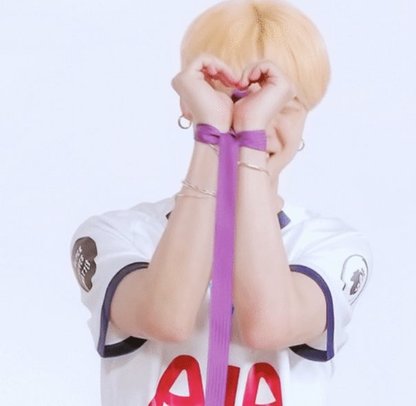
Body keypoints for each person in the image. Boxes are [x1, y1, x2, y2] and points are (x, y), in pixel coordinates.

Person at [69, 0, 372, 404]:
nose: (259, 122)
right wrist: (212, 137)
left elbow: (269, 324)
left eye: (283, 106)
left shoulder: (332, 246)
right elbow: (166, 318)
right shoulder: (116, 235)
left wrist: (247, 140)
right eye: (235, 99)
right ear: (189, 103)